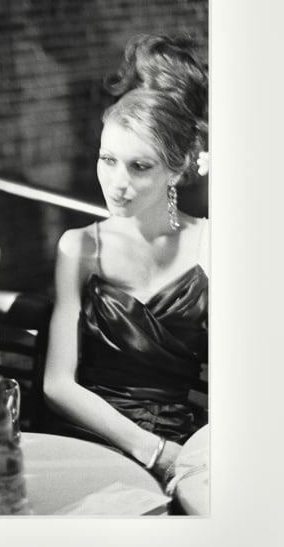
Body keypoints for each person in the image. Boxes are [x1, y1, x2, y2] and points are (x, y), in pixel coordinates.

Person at [43, 37, 208, 480]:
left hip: (181, 443)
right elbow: (57, 385)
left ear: (177, 169)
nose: (117, 183)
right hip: (90, 439)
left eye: (140, 166)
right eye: (108, 160)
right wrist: (154, 451)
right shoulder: (79, 247)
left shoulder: (212, 243)